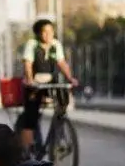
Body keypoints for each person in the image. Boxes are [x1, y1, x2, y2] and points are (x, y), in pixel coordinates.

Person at [15, 19, 78, 154]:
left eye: (51, 31)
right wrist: (31, 80)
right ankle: (28, 150)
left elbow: (62, 63)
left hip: (50, 82)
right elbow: (28, 64)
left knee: (63, 100)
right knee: (30, 117)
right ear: (38, 33)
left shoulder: (56, 45)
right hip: (34, 83)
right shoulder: (32, 44)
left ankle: (59, 134)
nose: (48, 35)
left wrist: (70, 78)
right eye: (45, 32)